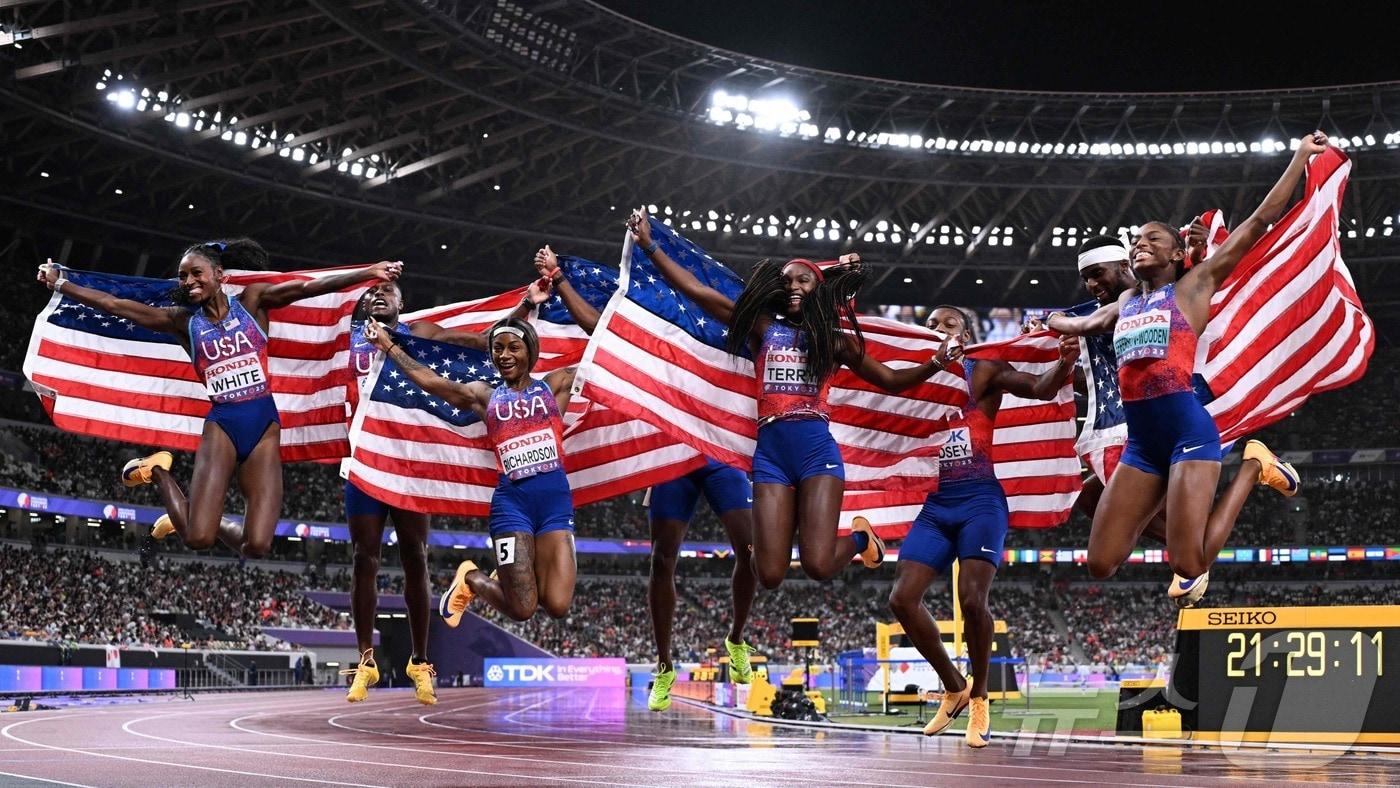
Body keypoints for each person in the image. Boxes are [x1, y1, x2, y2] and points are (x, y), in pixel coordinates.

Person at [1046, 133, 1326, 606]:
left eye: (1152, 239)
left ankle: (1252, 468)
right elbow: (1087, 322)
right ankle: (1245, 471)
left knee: (1188, 563)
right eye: (1135, 241)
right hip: (1142, 446)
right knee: (1100, 561)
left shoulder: (1195, 286)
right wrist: (1051, 321)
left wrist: (1299, 158)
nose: (1140, 245)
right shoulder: (1127, 299)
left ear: (1176, 254)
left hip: (1188, 435)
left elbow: (1259, 220)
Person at [628, 209, 944, 590]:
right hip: (772, 455)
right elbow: (697, 293)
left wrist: (937, 362)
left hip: (817, 454)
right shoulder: (763, 327)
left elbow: (892, 379)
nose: (794, 284)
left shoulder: (834, 341)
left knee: (818, 566)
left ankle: (862, 539)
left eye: (804, 279)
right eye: (787, 279)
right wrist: (649, 245)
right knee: (771, 575)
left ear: (818, 288)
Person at [37, 239, 400, 560]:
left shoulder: (254, 301)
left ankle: (201, 509)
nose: (189, 282)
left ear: (220, 275)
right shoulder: (182, 321)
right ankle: (159, 472)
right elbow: (114, 304)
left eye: (197, 273)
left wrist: (367, 273)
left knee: (257, 545)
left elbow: (309, 288)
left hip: (263, 424)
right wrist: (63, 284)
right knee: (198, 538)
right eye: (183, 277)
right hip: (223, 423)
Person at [533, 245, 756, 712]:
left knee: (753, 551)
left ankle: (736, 638)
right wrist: (560, 280)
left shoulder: (728, 335)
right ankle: (663, 665)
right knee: (661, 561)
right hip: (669, 453)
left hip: (717, 453)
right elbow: (600, 330)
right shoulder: (659, 337)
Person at [339, 280, 542, 705]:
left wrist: (525, 307)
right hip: (364, 457)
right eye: (372, 291)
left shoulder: (420, 335)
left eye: (390, 290)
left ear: (402, 302)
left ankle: (419, 661)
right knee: (364, 558)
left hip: (412, 463)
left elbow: (482, 342)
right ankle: (365, 660)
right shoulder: (347, 337)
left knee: (416, 555)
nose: (380, 295)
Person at [889, 305, 1078, 749]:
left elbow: (1039, 388)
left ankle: (979, 697)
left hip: (980, 502)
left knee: (973, 601)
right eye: (930, 325)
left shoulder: (985, 367)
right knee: (901, 598)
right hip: (935, 506)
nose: (937, 330)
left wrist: (1064, 363)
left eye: (948, 324)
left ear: (969, 334)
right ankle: (953, 684)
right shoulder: (914, 381)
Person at [362, 317, 579, 623]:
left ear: (530, 351)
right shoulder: (485, 395)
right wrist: (388, 345)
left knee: (557, 605)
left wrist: (558, 281)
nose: (504, 355)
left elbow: (604, 353)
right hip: (513, 506)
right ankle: (473, 578)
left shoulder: (556, 385)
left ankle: (515, 575)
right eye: (497, 349)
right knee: (522, 609)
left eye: (513, 348)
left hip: (555, 506)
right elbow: (432, 382)